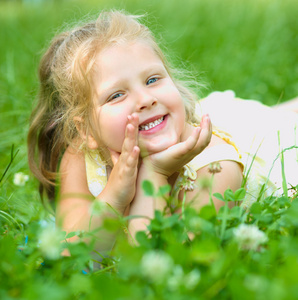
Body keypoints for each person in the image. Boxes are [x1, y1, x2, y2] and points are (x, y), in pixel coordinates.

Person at [27, 10, 298, 252]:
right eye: (117, 95)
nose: (146, 99)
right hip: (214, 119)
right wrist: (114, 196)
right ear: (85, 130)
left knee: (280, 120)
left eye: (153, 79)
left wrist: (154, 172)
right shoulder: (80, 155)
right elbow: (70, 253)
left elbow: (162, 261)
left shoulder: (214, 167)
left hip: (262, 137)